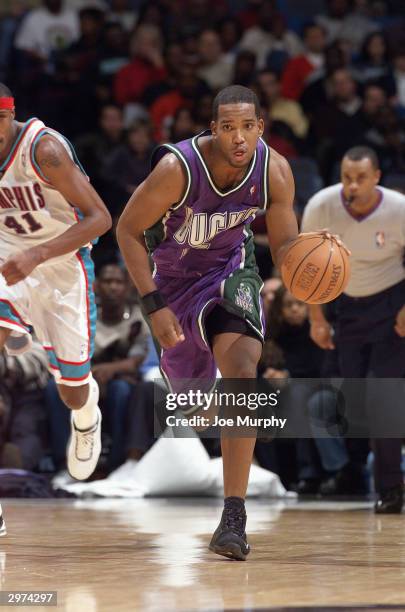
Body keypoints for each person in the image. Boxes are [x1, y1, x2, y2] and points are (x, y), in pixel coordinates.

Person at [117, 85, 299, 560]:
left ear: (261, 127)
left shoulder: (274, 170)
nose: (239, 138)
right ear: (213, 129)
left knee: (242, 373)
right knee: (197, 410)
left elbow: (284, 249)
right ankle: (234, 419)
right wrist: (153, 305)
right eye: (227, 127)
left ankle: (233, 517)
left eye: (247, 127)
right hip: (173, 282)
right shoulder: (177, 168)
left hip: (230, 271)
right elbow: (126, 230)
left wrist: (308, 267)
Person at [0, 83, 112, 534]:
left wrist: (38, 255)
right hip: (8, 260)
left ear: (10, 116)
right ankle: (11, 327)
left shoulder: (43, 149)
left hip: (63, 268)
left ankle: (87, 416)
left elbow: (100, 218)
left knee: (71, 388)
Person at [302, 145, 405, 513]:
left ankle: (392, 488)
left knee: (383, 398)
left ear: (377, 177)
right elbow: (308, 269)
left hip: (392, 305)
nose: (352, 186)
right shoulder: (321, 206)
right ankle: (367, 469)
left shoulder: (398, 208)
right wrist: (317, 319)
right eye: (347, 177)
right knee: (357, 404)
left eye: (361, 178)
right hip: (346, 306)